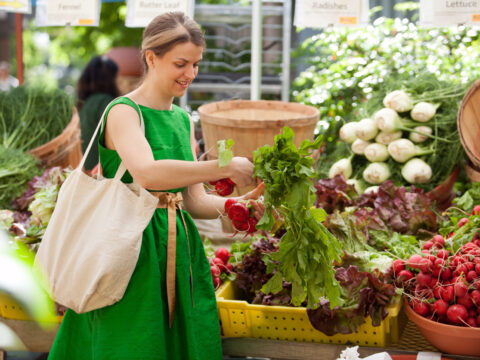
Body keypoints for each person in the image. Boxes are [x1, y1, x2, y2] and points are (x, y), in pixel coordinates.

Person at [48, 12, 263, 360]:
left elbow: (193, 200)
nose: (190, 74)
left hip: (179, 250)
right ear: (151, 57)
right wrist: (222, 166)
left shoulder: (181, 119)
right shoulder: (123, 112)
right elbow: (147, 173)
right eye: (181, 63)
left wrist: (235, 206)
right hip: (129, 249)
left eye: (196, 64)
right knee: (131, 342)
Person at [76, 55, 120, 170]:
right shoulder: (105, 101)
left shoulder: (86, 103)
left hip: (87, 166)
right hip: (101, 168)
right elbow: (118, 136)